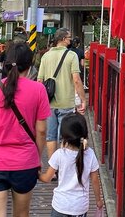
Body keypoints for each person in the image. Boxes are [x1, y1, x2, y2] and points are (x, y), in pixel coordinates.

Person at [0, 43, 50, 217]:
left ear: (6, 63)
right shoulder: (38, 90)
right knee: (21, 214)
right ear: (30, 66)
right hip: (25, 162)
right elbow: (41, 131)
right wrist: (37, 158)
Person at [39, 113, 103, 217]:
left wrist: (36, 174)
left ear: (64, 136)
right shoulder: (90, 154)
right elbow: (95, 180)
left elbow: (47, 178)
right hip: (80, 207)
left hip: (60, 205)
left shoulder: (59, 154)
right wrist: (98, 200)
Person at [37, 29, 87, 161]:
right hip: (66, 102)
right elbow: (76, 80)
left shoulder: (46, 56)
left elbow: (40, 81)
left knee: (50, 136)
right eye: (69, 37)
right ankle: (63, 166)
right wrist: (83, 100)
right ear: (63, 39)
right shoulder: (71, 56)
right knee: (65, 136)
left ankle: (53, 166)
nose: (71, 40)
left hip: (49, 103)